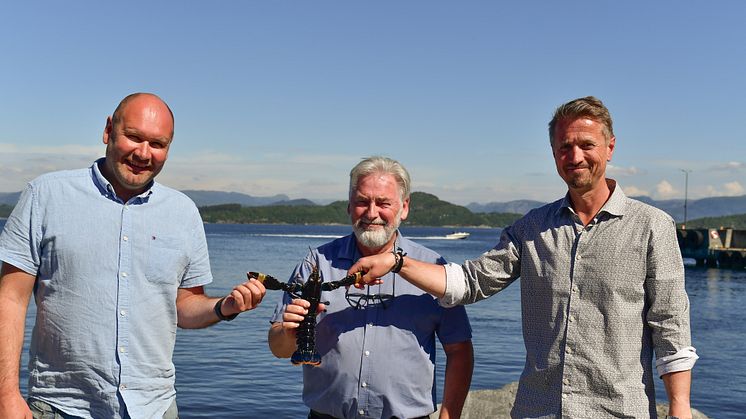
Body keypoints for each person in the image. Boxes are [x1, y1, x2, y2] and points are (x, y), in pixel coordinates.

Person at [350, 97, 698, 418]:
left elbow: (670, 325)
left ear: (610, 147)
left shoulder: (652, 226)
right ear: (553, 152)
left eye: (586, 145)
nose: (575, 156)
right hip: (537, 410)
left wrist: (679, 406)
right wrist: (397, 262)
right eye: (565, 147)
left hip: (620, 411)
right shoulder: (531, 228)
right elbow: (469, 282)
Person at [0, 93, 267, 419]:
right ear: (108, 130)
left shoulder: (183, 212)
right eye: (134, 137)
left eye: (158, 143)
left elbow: (183, 307)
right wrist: (6, 395)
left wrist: (225, 307)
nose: (144, 153)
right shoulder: (46, 195)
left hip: (155, 407)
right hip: (62, 406)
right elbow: (10, 300)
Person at [268, 156, 473, 419]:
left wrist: (449, 416)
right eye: (362, 202)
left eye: (383, 203)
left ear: (404, 207)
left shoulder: (434, 268)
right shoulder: (315, 264)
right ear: (349, 207)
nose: (371, 213)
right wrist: (287, 332)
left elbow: (459, 350)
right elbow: (278, 348)